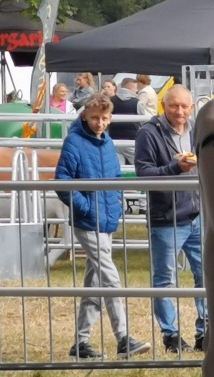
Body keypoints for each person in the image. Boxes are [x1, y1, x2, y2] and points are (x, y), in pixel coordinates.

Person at [54, 93, 151, 360]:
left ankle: (81, 342)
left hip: (106, 220)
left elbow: (116, 177)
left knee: (95, 282)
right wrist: (85, 207)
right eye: (95, 118)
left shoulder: (106, 143)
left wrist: (116, 204)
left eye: (105, 118)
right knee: (110, 278)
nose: (100, 123)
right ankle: (123, 338)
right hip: (88, 222)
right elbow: (62, 181)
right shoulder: (74, 142)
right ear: (85, 114)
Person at [135, 84, 206, 353]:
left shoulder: (198, 130)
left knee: (206, 276)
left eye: (185, 106)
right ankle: (171, 335)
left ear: (191, 107)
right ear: (164, 105)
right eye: (174, 106)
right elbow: (144, 174)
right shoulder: (148, 133)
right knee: (165, 279)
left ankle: (205, 332)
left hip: (196, 215)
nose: (180, 112)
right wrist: (176, 167)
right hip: (166, 218)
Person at [109, 78, 145, 166]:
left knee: (118, 168)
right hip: (132, 141)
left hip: (113, 140)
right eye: (136, 88)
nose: (136, 91)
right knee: (140, 167)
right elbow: (143, 123)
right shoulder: (137, 103)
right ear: (131, 88)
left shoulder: (110, 101)